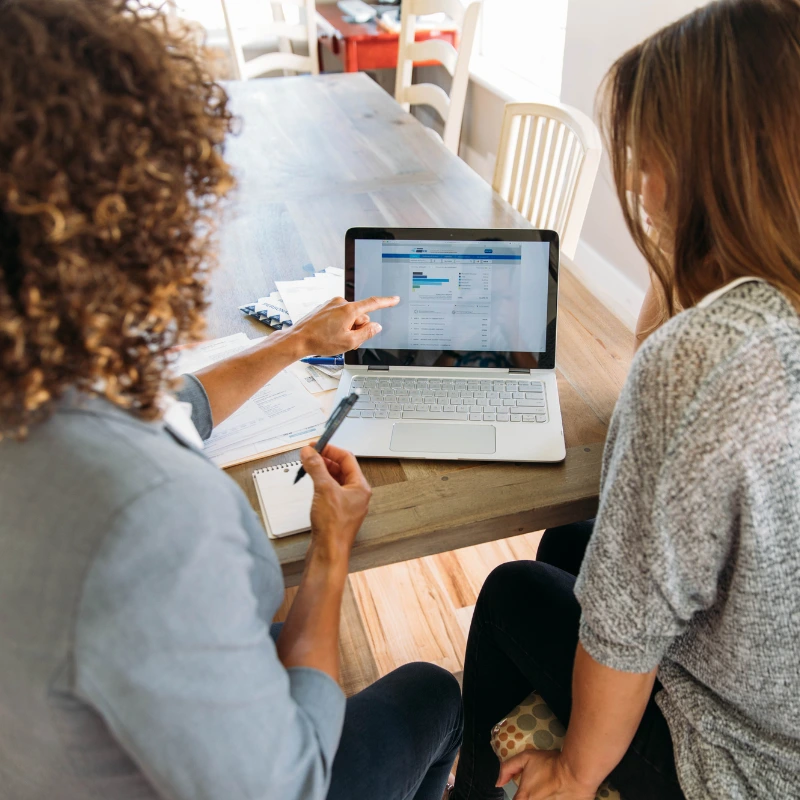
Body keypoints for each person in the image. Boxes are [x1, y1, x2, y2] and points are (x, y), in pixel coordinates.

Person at [0, 1, 462, 799]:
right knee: (434, 693)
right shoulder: (147, 516)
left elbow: (171, 405)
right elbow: (290, 785)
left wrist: (294, 343)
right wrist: (330, 552)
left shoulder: (37, 386)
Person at [452, 1, 800, 798]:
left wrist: (577, 770)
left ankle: (480, 787)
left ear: (706, 168)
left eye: (650, 159)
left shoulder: (705, 359)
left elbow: (623, 629)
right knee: (568, 541)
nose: (638, 185)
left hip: (746, 766)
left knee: (509, 592)